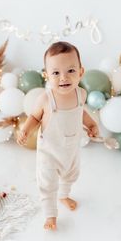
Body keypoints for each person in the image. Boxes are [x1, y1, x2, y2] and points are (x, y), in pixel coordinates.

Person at [17, 41, 99, 230]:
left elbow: (81, 112)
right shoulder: (46, 99)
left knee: (71, 175)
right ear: (47, 76)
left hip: (71, 150)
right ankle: (50, 215)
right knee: (48, 183)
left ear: (81, 71)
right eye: (56, 73)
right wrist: (26, 130)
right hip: (49, 152)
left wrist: (91, 124)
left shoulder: (81, 94)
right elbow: (35, 117)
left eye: (70, 70)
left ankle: (64, 195)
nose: (64, 77)